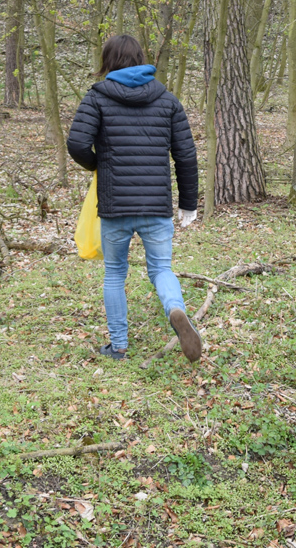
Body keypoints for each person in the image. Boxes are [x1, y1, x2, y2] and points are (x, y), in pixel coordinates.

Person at [66, 35, 202, 363]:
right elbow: (186, 155)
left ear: (108, 62)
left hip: (115, 203)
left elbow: (77, 144)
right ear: (142, 59)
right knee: (161, 268)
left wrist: (100, 164)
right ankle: (175, 309)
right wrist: (188, 204)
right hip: (156, 204)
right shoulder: (167, 100)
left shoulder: (97, 97)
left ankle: (119, 347)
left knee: (115, 272)